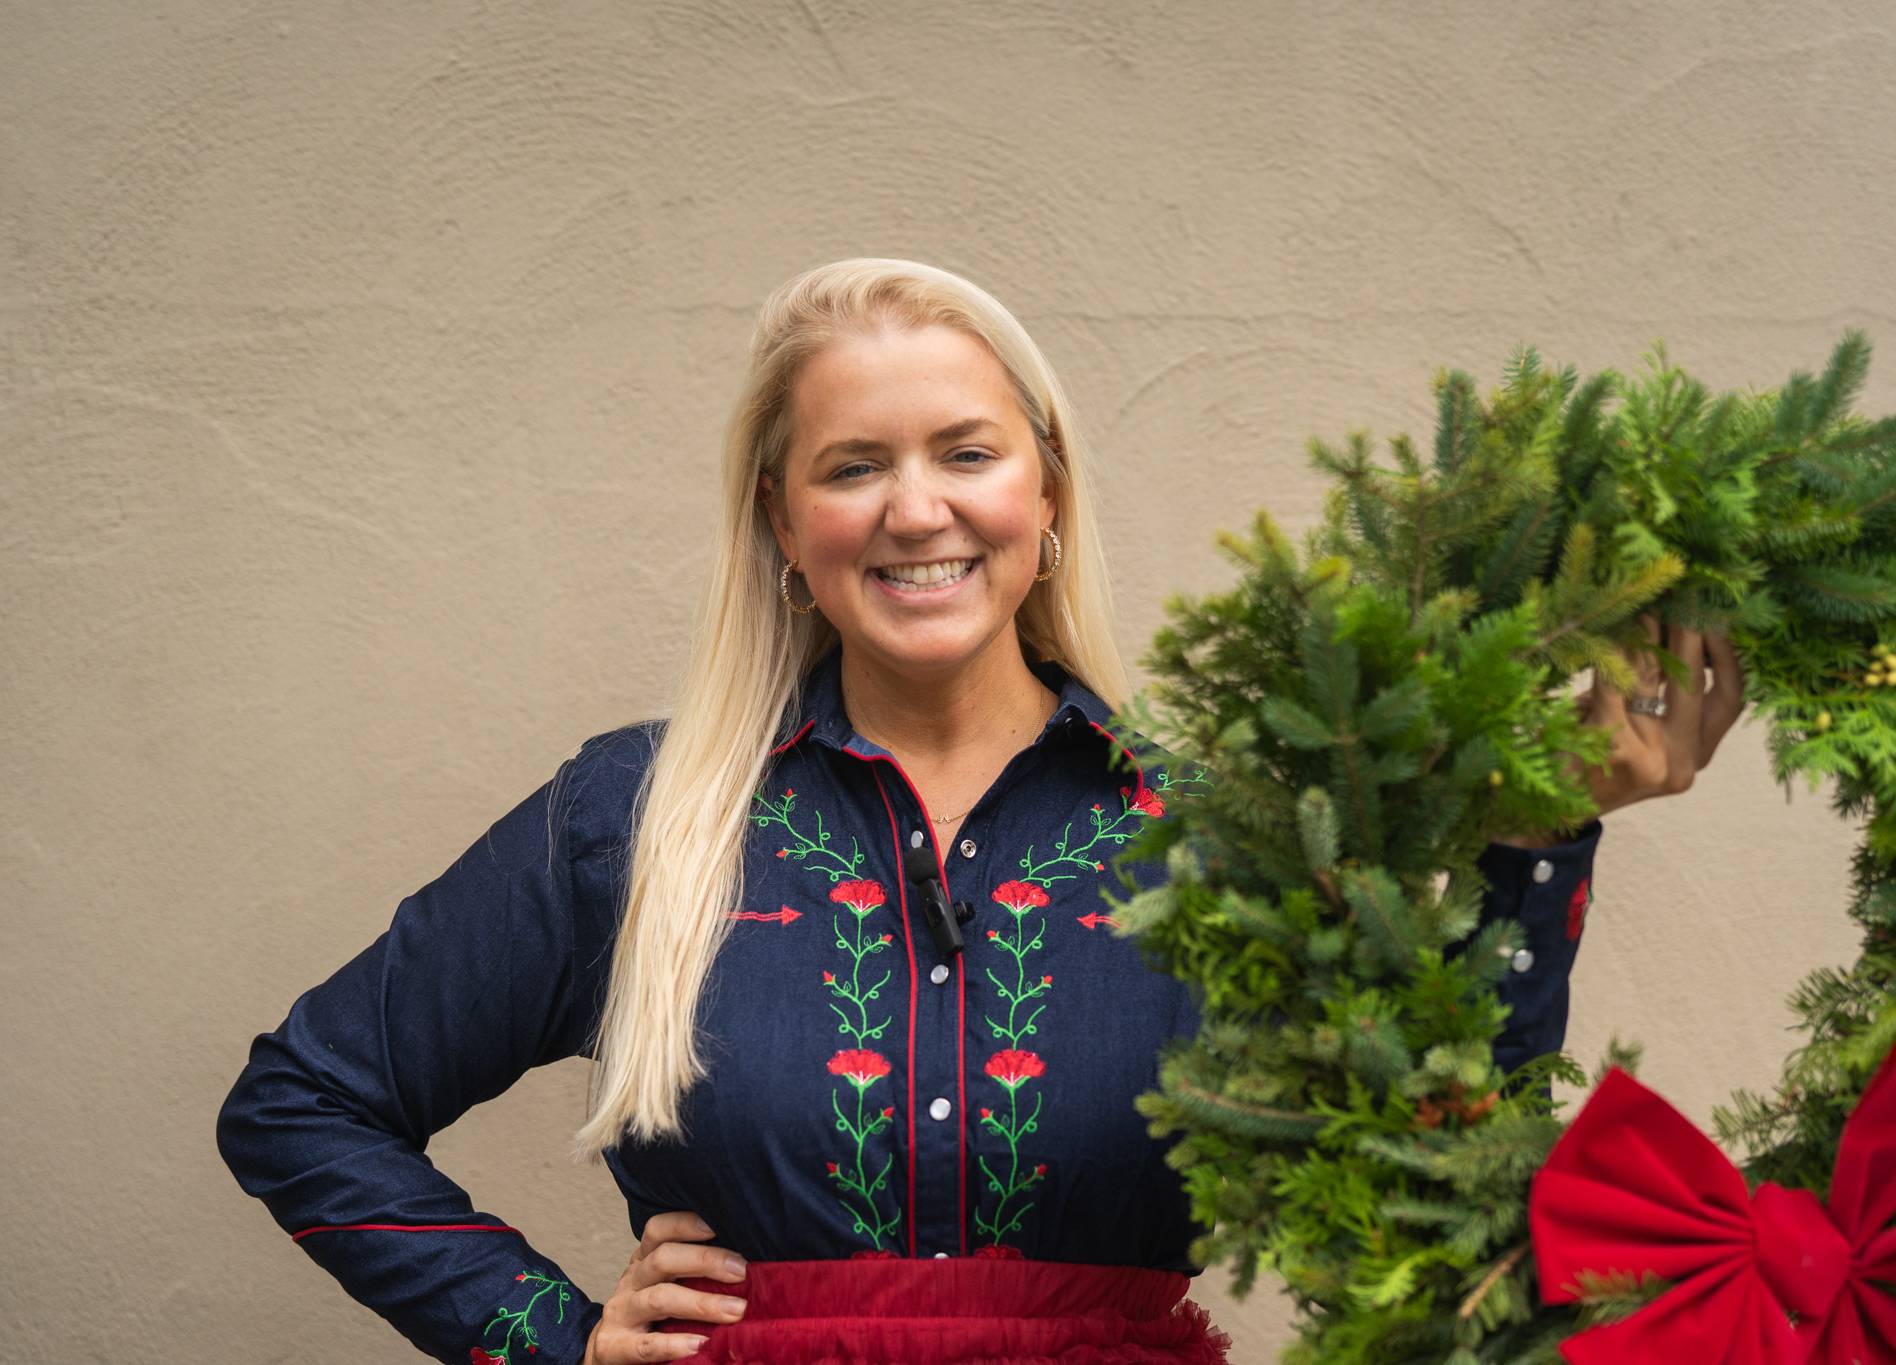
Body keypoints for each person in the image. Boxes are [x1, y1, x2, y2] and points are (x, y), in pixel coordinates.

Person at [215, 259, 1746, 1364]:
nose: (916, 507)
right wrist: (542, 1333)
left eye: (967, 451)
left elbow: (1442, 1153)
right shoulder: (636, 816)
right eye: (852, 465)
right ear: (780, 521)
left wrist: (1543, 826)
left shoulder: (1223, 822)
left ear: (1048, 487)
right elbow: (302, 1100)